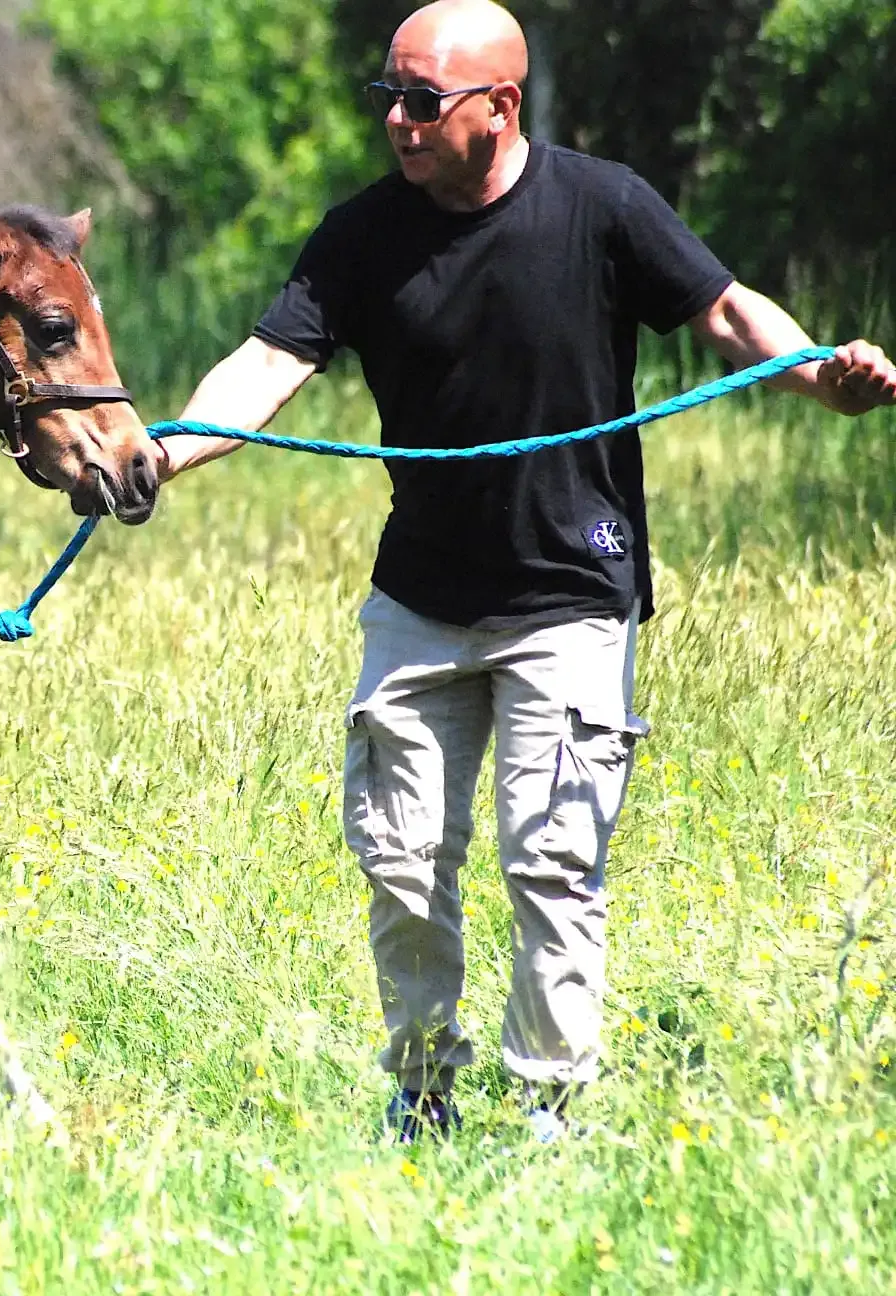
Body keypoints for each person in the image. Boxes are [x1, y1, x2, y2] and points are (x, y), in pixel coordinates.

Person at [157, 0, 896, 1142]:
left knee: (549, 864)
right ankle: (421, 1097)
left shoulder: (603, 206)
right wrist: (156, 456)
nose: (397, 122)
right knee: (400, 862)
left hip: (568, 597)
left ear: (499, 107)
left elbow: (730, 315)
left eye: (421, 100)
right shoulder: (359, 236)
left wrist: (819, 376)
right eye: (386, 98)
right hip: (421, 601)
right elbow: (262, 366)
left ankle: (548, 1109)